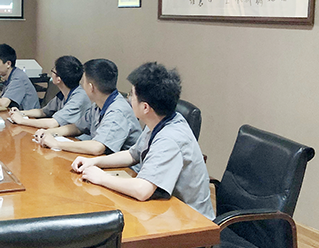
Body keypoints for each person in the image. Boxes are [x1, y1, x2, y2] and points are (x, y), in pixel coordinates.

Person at [71, 62, 214, 219]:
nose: (129, 99)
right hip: (164, 209)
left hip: (190, 221)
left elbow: (142, 190)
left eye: (132, 95)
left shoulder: (169, 138)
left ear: (145, 107)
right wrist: (95, 162)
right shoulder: (158, 119)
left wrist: (101, 178)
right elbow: (132, 154)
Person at [33, 58, 141, 155]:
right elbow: (77, 127)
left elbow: (97, 147)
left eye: (83, 82)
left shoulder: (117, 111)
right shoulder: (99, 104)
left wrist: (57, 144)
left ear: (91, 87)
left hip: (126, 168)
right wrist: (48, 132)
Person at [8, 55, 91, 129]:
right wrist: (21, 113)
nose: (52, 74)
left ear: (58, 79)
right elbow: (43, 112)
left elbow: (53, 123)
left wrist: (22, 121)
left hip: (78, 138)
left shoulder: (79, 97)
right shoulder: (63, 94)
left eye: (53, 71)